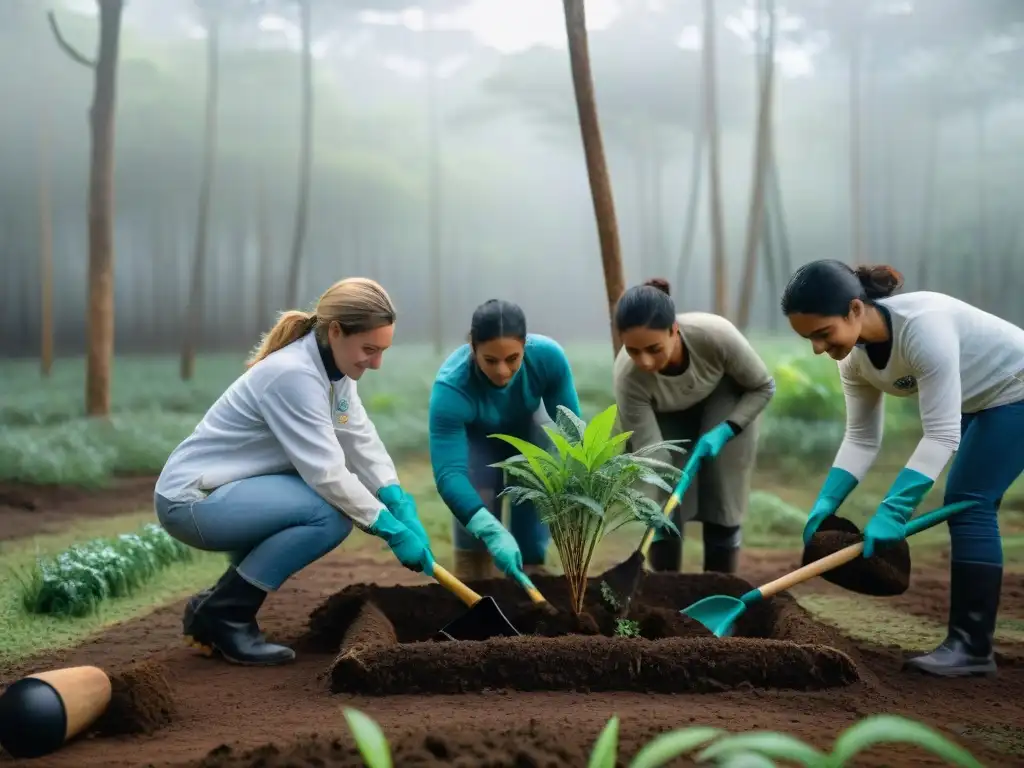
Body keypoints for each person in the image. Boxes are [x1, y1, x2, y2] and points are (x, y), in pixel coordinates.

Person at [154, 277, 433, 667]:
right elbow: (327, 473)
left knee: (329, 507)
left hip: (231, 491)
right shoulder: (294, 375)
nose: (376, 362)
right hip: (193, 501)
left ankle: (213, 607)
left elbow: (360, 439)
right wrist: (388, 527)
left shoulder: (332, 368)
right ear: (336, 331)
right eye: (369, 349)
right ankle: (227, 614)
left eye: (382, 350)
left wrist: (396, 499)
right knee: (330, 514)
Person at [782, 259, 1024, 678]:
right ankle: (971, 645)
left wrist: (893, 510)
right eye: (808, 339)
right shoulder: (852, 359)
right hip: (977, 399)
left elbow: (941, 436)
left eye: (822, 334)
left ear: (855, 310)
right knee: (971, 500)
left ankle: (971, 647)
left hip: (1015, 386)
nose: (817, 349)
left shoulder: (923, 328)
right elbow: (861, 438)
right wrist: (827, 501)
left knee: (970, 501)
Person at [612, 278, 776, 575]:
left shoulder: (715, 335)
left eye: (653, 348)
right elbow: (654, 455)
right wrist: (657, 505)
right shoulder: (628, 377)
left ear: (674, 330)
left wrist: (727, 429)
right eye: (634, 351)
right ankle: (666, 595)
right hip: (664, 415)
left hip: (727, 401)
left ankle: (718, 593)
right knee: (663, 501)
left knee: (723, 497)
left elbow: (762, 387)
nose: (645, 362)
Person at [428, 299, 583, 582]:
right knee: (478, 497)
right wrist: (488, 528)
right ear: (473, 348)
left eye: (513, 359)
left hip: (529, 432)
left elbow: (573, 432)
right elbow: (449, 474)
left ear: (525, 346)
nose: (502, 371)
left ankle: (533, 569)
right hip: (477, 442)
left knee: (535, 480)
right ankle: (475, 574)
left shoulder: (548, 358)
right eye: (490, 360)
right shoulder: (451, 387)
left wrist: (580, 484)